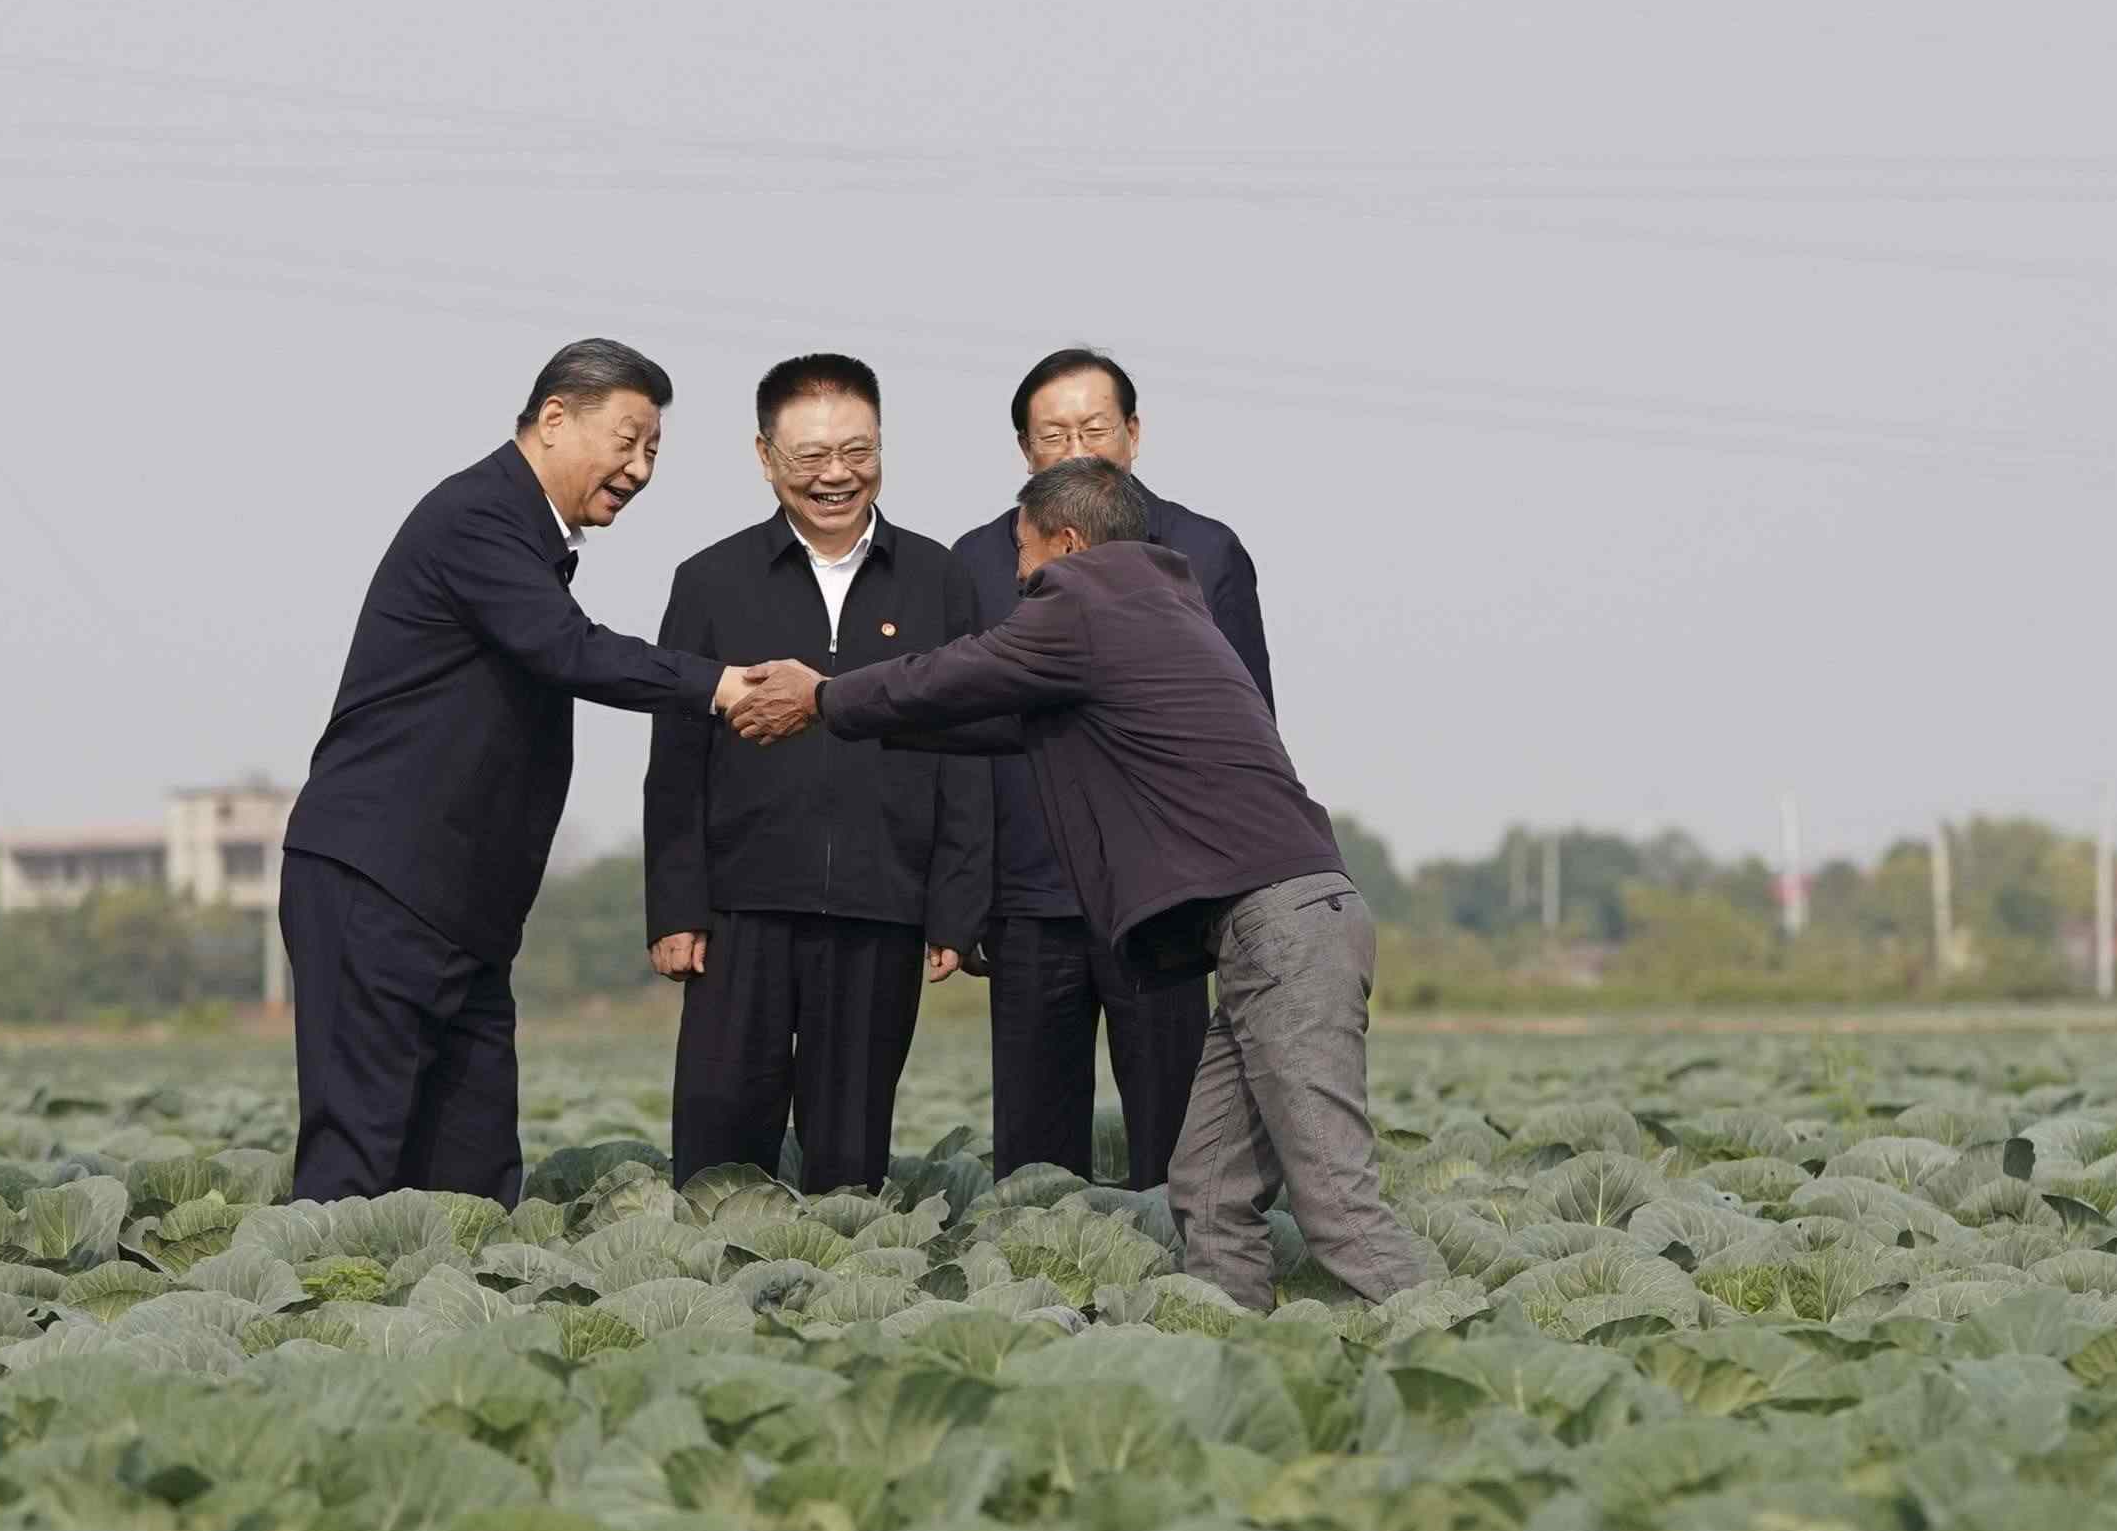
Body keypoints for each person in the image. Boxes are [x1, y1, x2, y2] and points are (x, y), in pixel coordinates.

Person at [728, 457, 1429, 1312]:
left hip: (1283, 931)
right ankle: (1231, 1341)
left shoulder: (1084, 601)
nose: (1018, 580)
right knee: (1209, 1190)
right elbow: (993, 717)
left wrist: (825, 695)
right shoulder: (1155, 607)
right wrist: (848, 722)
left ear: (1064, 543)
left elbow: (955, 674)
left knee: (1336, 1202)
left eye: (1022, 557)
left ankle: (1459, 1341)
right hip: (1282, 927)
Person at [281, 339, 766, 1205]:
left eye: (654, 450)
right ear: (554, 418)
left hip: (459, 913)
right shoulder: (478, 517)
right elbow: (568, 649)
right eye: (628, 440)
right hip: (381, 885)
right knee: (359, 1163)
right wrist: (721, 685)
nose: (640, 468)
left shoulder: (526, 535)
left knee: (472, 1178)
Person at [643, 353, 986, 1191]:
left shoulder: (940, 578)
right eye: (811, 456)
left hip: (882, 907)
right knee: (720, 1139)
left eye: (858, 451)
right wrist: (677, 906)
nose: (837, 475)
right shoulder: (710, 580)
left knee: (850, 1155)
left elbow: (970, 749)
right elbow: (675, 759)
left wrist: (955, 904)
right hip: (740, 910)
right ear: (766, 458)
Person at [951, 348, 1272, 1189]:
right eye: (1053, 435)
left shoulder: (1206, 551)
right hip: (1028, 899)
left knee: (1178, 1144)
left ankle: (1185, 1267)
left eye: (1094, 429)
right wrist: (962, 895)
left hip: (1162, 901)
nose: (1076, 449)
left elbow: (1246, 733)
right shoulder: (978, 561)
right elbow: (953, 737)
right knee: (1033, 1155)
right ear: (1024, 450)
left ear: (1133, 432)